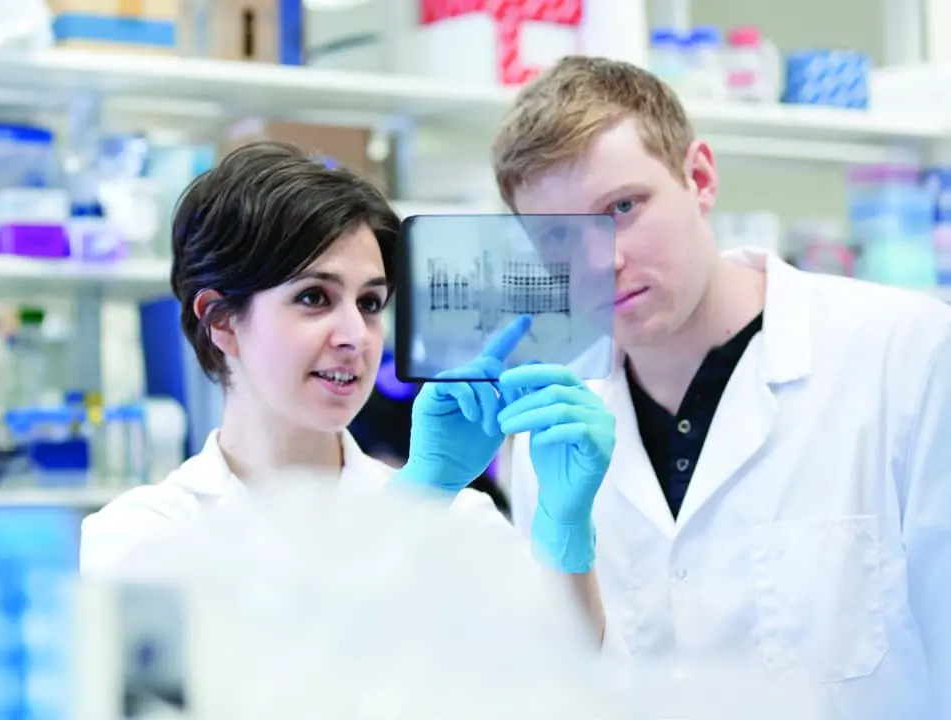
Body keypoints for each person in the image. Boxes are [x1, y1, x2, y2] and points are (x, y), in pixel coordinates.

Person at [492, 56, 951, 718]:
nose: (603, 259)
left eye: (623, 207)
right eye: (561, 236)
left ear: (699, 177)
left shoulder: (906, 355)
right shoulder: (554, 428)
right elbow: (562, 683)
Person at [79, 140, 614, 641]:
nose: (356, 336)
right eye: (314, 298)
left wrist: (564, 534)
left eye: (370, 303)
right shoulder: (145, 534)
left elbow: (566, 691)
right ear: (221, 319)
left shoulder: (459, 520)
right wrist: (413, 505)